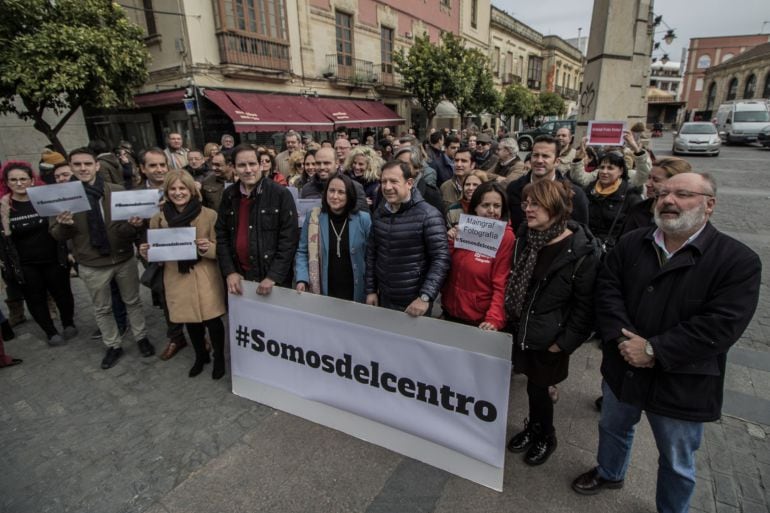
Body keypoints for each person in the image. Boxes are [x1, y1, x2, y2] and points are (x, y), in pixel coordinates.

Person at [571, 173, 761, 513]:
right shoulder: (632, 242)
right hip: (623, 365)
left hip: (682, 382)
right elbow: (607, 291)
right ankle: (609, 472)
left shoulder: (738, 261)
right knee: (613, 426)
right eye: (662, 194)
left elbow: (721, 325)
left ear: (709, 205)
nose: (668, 201)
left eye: (682, 194)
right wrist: (623, 340)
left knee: (676, 458)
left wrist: (654, 349)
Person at [505, 179, 601, 466]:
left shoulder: (580, 251)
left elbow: (586, 307)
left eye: (535, 204)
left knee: (541, 388)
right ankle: (532, 428)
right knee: (532, 387)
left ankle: (546, 435)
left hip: (551, 338)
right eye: (526, 203)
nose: (527, 209)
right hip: (522, 329)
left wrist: (564, 343)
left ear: (556, 209)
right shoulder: (526, 237)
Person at [50, 148, 155, 369]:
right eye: (77, 164)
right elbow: (56, 235)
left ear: (96, 166)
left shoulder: (116, 191)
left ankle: (141, 338)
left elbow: (126, 230)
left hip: (122, 258)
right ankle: (113, 345)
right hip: (91, 263)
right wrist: (63, 224)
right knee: (102, 308)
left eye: (87, 163)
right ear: (71, 167)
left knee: (133, 301)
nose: (83, 168)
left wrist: (133, 225)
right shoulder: (63, 196)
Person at [140, 170, 227, 379]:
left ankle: (219, 358)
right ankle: (200, 355)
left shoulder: (209, 215)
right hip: (176, 277)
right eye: (173, 189)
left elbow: (221, 249)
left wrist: (208, 247)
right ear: (167, 192)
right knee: (190, 321)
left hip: (205, 276)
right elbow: (156, 253)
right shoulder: (158, 219)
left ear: (191, 190)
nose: (178, 193)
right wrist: (146, 252)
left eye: (182, 188)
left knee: (213, 321)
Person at [0, 162, 77, 346]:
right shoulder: (4, 206)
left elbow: (60, 226)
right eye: (13, 180)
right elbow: (4, 240)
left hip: (53, 257)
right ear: (7, 182)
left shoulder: (45, 199)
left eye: (23, 179)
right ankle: (50, 332)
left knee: (63, 293)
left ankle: (68, 323)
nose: (19, 183)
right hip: (25, 263)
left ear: (32, 180)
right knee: (35, 298)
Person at [365, 160, 449, 315]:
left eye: (394, 181)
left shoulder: (429, 215)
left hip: (414, 303)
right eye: (383, 181)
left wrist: (425, 297)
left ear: (409, 183)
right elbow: (372, 254)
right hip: (384, 298)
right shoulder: (380, 212)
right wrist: (371, 290)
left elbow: (440, 259)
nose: (387, 187)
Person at [216, 144, 299, 296]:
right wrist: (230, 271)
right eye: (241, 165)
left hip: (273, 282)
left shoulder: (280, 194)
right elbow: (221, 236)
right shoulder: (229, 195)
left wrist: (273, 276)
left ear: (260, 165)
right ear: (233, 167)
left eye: (252, 164)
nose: (248, 170)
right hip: (240, 279)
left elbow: (289, 239)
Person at [441, 181, 514, 330]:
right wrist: (450, 241)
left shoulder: (506, 237)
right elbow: (447, 266)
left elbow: (502, 283)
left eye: (497, 206)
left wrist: (493, 319)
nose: (492, 211)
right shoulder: (465, 228)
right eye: (486, 205)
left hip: (479, 320)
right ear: (475, 207)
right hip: (450, 310)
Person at [295, 174, 371, 302]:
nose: (335, 196)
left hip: (356, 291)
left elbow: (371, 257)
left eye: (341, 192)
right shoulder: (314, 217)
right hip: (324, 291)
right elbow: (302, 251)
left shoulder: (363, 219)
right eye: (331, 191)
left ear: (350, 195)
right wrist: (302, 278)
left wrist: (371, 290)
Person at [506, 135, 589, 231]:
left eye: (545, 156)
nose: (539, 160)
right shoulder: (514, 189)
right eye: (535, 155)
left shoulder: (574, 194)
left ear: (557, 162)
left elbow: (581, 232)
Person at [584, 151, 642, 253]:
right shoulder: (589, 190)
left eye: (610, 168)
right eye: (602, 167)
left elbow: (635, 231)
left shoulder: (630, 196)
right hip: (587, 247)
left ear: (620, 171)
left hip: (613, 251)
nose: (604, 171)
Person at [621, 156, 692, 235]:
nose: (647, 184)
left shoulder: (690, 216)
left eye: (656, 180)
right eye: (649, 178)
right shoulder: (638, 208)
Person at [300, 147, 368, 211]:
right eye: (318, 163)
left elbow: (364, 218)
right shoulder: (306, 188)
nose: (322, 167)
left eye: (326, 163)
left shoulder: (354, 187)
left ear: (337, 163)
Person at [440, 146, 475, 210]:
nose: (458, 164)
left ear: (472, 165)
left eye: (463, 161)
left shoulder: (480, 187)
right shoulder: (445, 187)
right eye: (456, 160)